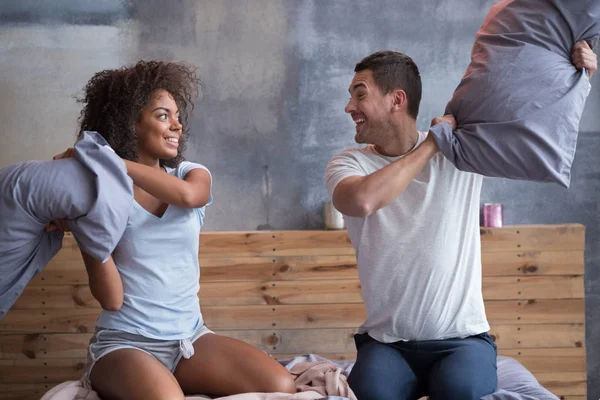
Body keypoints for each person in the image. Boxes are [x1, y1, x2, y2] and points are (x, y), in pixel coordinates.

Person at [324, 43, 596, 400]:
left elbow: (532, 115)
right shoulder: (348, 164)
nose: (349, 107)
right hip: (387, 345)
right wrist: (431, 146)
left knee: (463, 393)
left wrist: (580, 77)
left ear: (397, 100)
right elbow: (361, 200)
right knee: (372, 394)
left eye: (360, 94)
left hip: (462, 342)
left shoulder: (459, 151)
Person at [50, 61, 295, 400]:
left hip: (189, 340)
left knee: (281, 385)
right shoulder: (102, 196)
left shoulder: (191, 175)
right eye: (163, 115)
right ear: (130, 124)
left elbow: (188, 196)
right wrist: (86, 231)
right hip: (124, 344)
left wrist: (105, 160)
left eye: (178, 116)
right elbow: (111, 298)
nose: (177, 125)